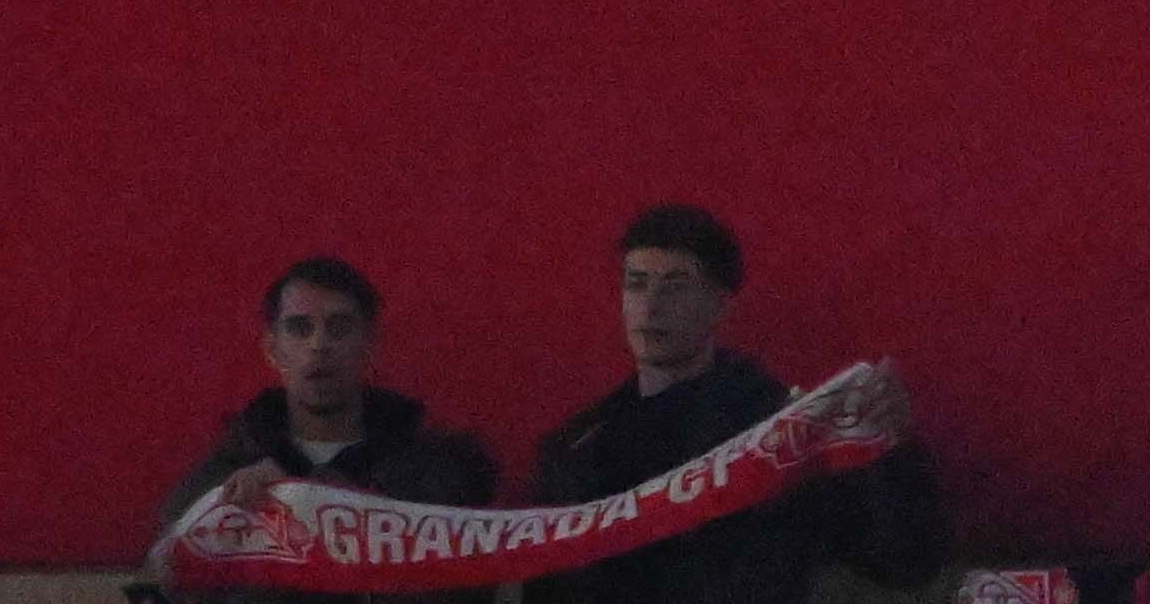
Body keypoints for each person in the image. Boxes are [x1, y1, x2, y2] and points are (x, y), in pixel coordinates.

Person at [513, 212, 936, 604]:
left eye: (676, 284)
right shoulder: (578, 446)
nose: (651, 305)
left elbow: (903, 562)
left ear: (720, 304)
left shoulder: (780, 430)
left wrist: (887, 445)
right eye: (637, 283)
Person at [158, 261, 497, 569]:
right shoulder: (226, 473)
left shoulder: (434, 470)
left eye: (338, 328)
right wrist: (233, 506)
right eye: (300, 328)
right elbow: (172, 569)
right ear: (272, 349)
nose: (319, 345)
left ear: (370, 345)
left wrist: (303, 491)